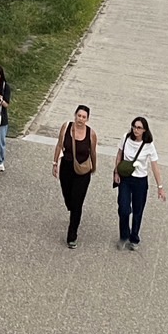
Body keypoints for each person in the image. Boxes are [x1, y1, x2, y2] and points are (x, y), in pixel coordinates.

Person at [112, 116, 165, 250]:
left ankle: (134, 237)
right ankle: (124, 235)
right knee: (123, 208)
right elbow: (119, 155)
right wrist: (116, 172)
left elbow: (154, 166)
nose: (136, 130)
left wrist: (160, 187)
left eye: (139, 128)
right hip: (125, 178)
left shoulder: (149, 145)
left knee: (138, 210)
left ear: (144, 130)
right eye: (134, 127)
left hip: (140, 181)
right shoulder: (125, 138)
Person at [53, 105, 98, 248]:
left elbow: (93, 152)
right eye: (79, 116)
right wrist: (55, 163)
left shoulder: (91, 134)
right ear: (75, 115)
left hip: (82, 171)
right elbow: (59, 145)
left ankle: (72, 236)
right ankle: (72, 208)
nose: (81, 119)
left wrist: (93, 167)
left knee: (77, 203)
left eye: (84, 117)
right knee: (68, 197)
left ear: (87, 119)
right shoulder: (66, 127)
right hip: (66, 168)